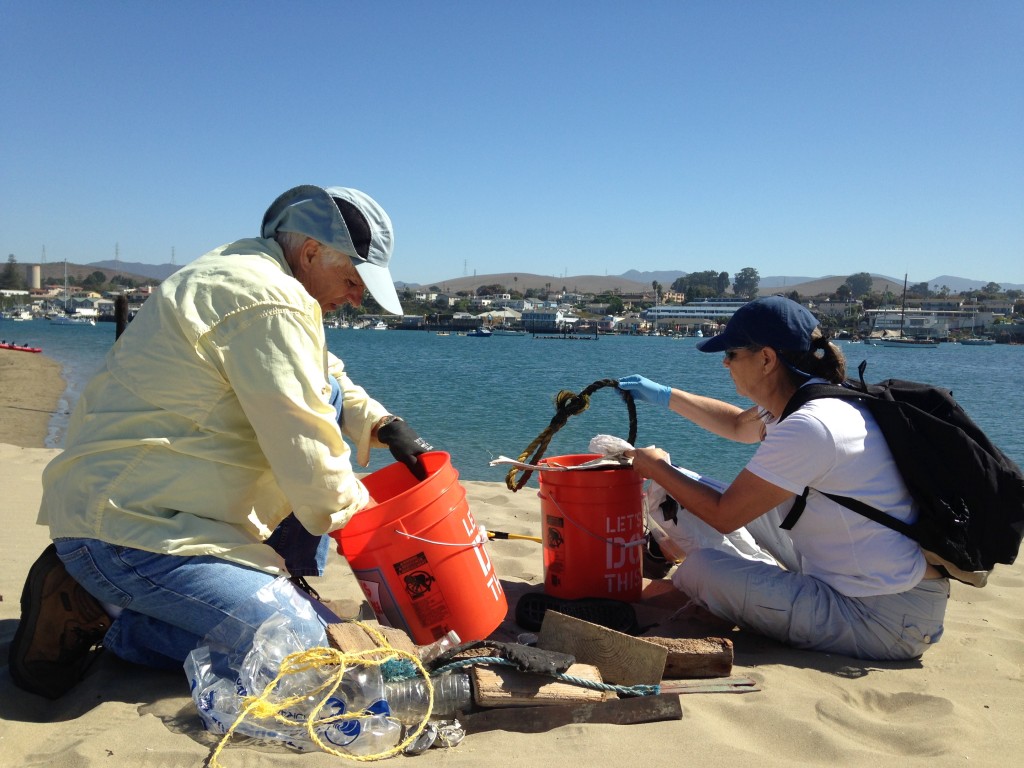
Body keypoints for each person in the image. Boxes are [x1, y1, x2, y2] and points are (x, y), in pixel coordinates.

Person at [9, 184, 434, 699]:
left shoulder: (256, 275)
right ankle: (106, 613)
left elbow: (324, 377)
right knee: (301, 655)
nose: (356, 296)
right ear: (311, 252)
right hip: (129, 533)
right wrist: (392, 536)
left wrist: (380, 422)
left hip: (160, 510)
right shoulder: (269, 302)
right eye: (352, 278)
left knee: (293, 633)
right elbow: (311, 453)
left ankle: (270, 589)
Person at [618, 296, 948, 661]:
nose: (725, 362)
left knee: (701, 569)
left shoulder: (810, 426)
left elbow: (726, 516)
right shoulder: (815, 402)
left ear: (766, 359)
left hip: (884, 617)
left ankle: (695, 585)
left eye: (732, 353)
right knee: (691, 489)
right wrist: (665, 396)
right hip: (863, 580)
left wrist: (654, 466)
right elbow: (735, 425)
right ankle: (722, 580)